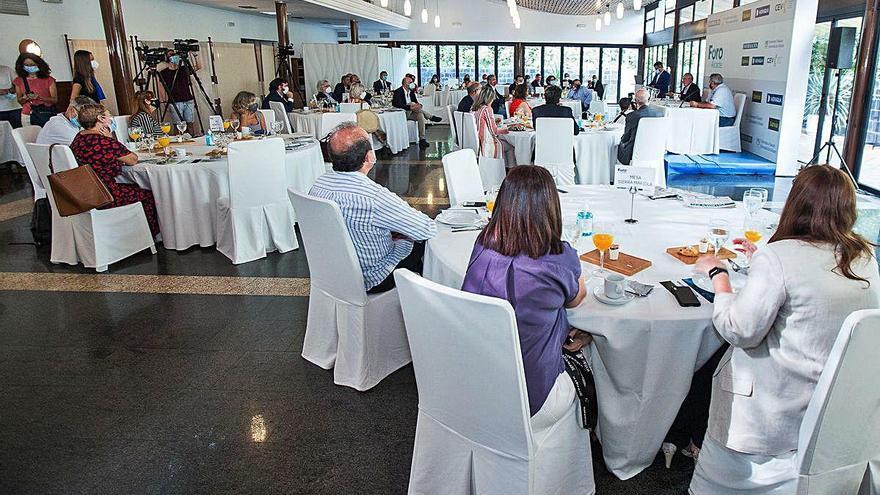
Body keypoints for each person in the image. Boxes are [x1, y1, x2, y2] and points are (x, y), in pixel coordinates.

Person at [689, 164, 880, 493]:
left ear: (796, 203)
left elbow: (739, 330)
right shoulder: (863, 258)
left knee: (708, 366)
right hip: (834, 416)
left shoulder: (780, 257)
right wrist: (762, 261)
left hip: (770, 417)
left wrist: (718, 277)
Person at [461, 165, 591, 418]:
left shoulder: (484, 241)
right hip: (530, 391)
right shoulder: (559, 257)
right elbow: (577, 299)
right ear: (551, 207)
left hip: (477, 375)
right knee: (592, 345)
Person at [309, 123, 436, 293]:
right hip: (373, 277)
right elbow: (426, 229)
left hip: (332, 273)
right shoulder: (373, 197)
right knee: (422, 244)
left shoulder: (318, 185)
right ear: (369, 157)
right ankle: (423, 304)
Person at [69, 104, 160, 237]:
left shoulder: (79, 137)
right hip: (106, 194)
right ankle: (145, 236)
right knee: (148, 194)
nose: (111, 118)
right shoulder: (103, 142)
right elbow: (132, 159)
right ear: (100, 119)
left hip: (84, 192)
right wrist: (110, 138)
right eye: (108, 115)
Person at [159, 49, 201, 136]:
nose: (174, 56)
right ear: (166, 58)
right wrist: (164, 101)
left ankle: (191, 139)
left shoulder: (183, 69)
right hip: (174, 101)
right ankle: (178, 141)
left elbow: (198, 66)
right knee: (177, 125)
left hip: (188, 99)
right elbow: (161, 88)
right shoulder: (164, 72)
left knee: (190, 123)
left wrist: (195, 55)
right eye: (171, 54)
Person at [617, 88, 664, 165]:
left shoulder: (631, 116)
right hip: (655, 152)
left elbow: (625, 138)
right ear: (649, 99)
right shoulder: (660, 115)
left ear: (636, 101)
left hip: (633, 154)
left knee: (616, 146)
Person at [392, 75, 440, 148]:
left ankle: (422, 140)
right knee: (412, 104)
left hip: (412, 112)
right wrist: (410, 106)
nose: (412, 84)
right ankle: (430, 116)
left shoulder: (411, 92)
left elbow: (416, 102)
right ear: (405, 84)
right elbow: (398, 104)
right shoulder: (398, 92)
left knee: (420, 115)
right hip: (402, 113)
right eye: (410, 82)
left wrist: (419, 105)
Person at [12, 53, 57, 127]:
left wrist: (39, 97)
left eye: (32, 64)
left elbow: (54, 100)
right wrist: (24, 98)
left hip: (46, 113)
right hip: (27, 114)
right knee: (30, 137)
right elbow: (19, 100)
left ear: (39, 64)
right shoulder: (19, 80)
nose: (30, 67)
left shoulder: (49, 80)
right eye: (26, 65)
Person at [472, 85, 511, 164]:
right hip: (486, 142)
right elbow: (494, 131)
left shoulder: (475, 108)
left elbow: (481, 122)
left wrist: (493, 122)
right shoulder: (487, 109)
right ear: (490, 98)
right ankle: (508, 169)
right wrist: (509, 129)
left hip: (478, 140)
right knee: (511, 145)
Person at [0, 63, 22, 128]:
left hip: (14, 108)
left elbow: (19, 83)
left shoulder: (7, 69)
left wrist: (9, 90)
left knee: (17, 132)